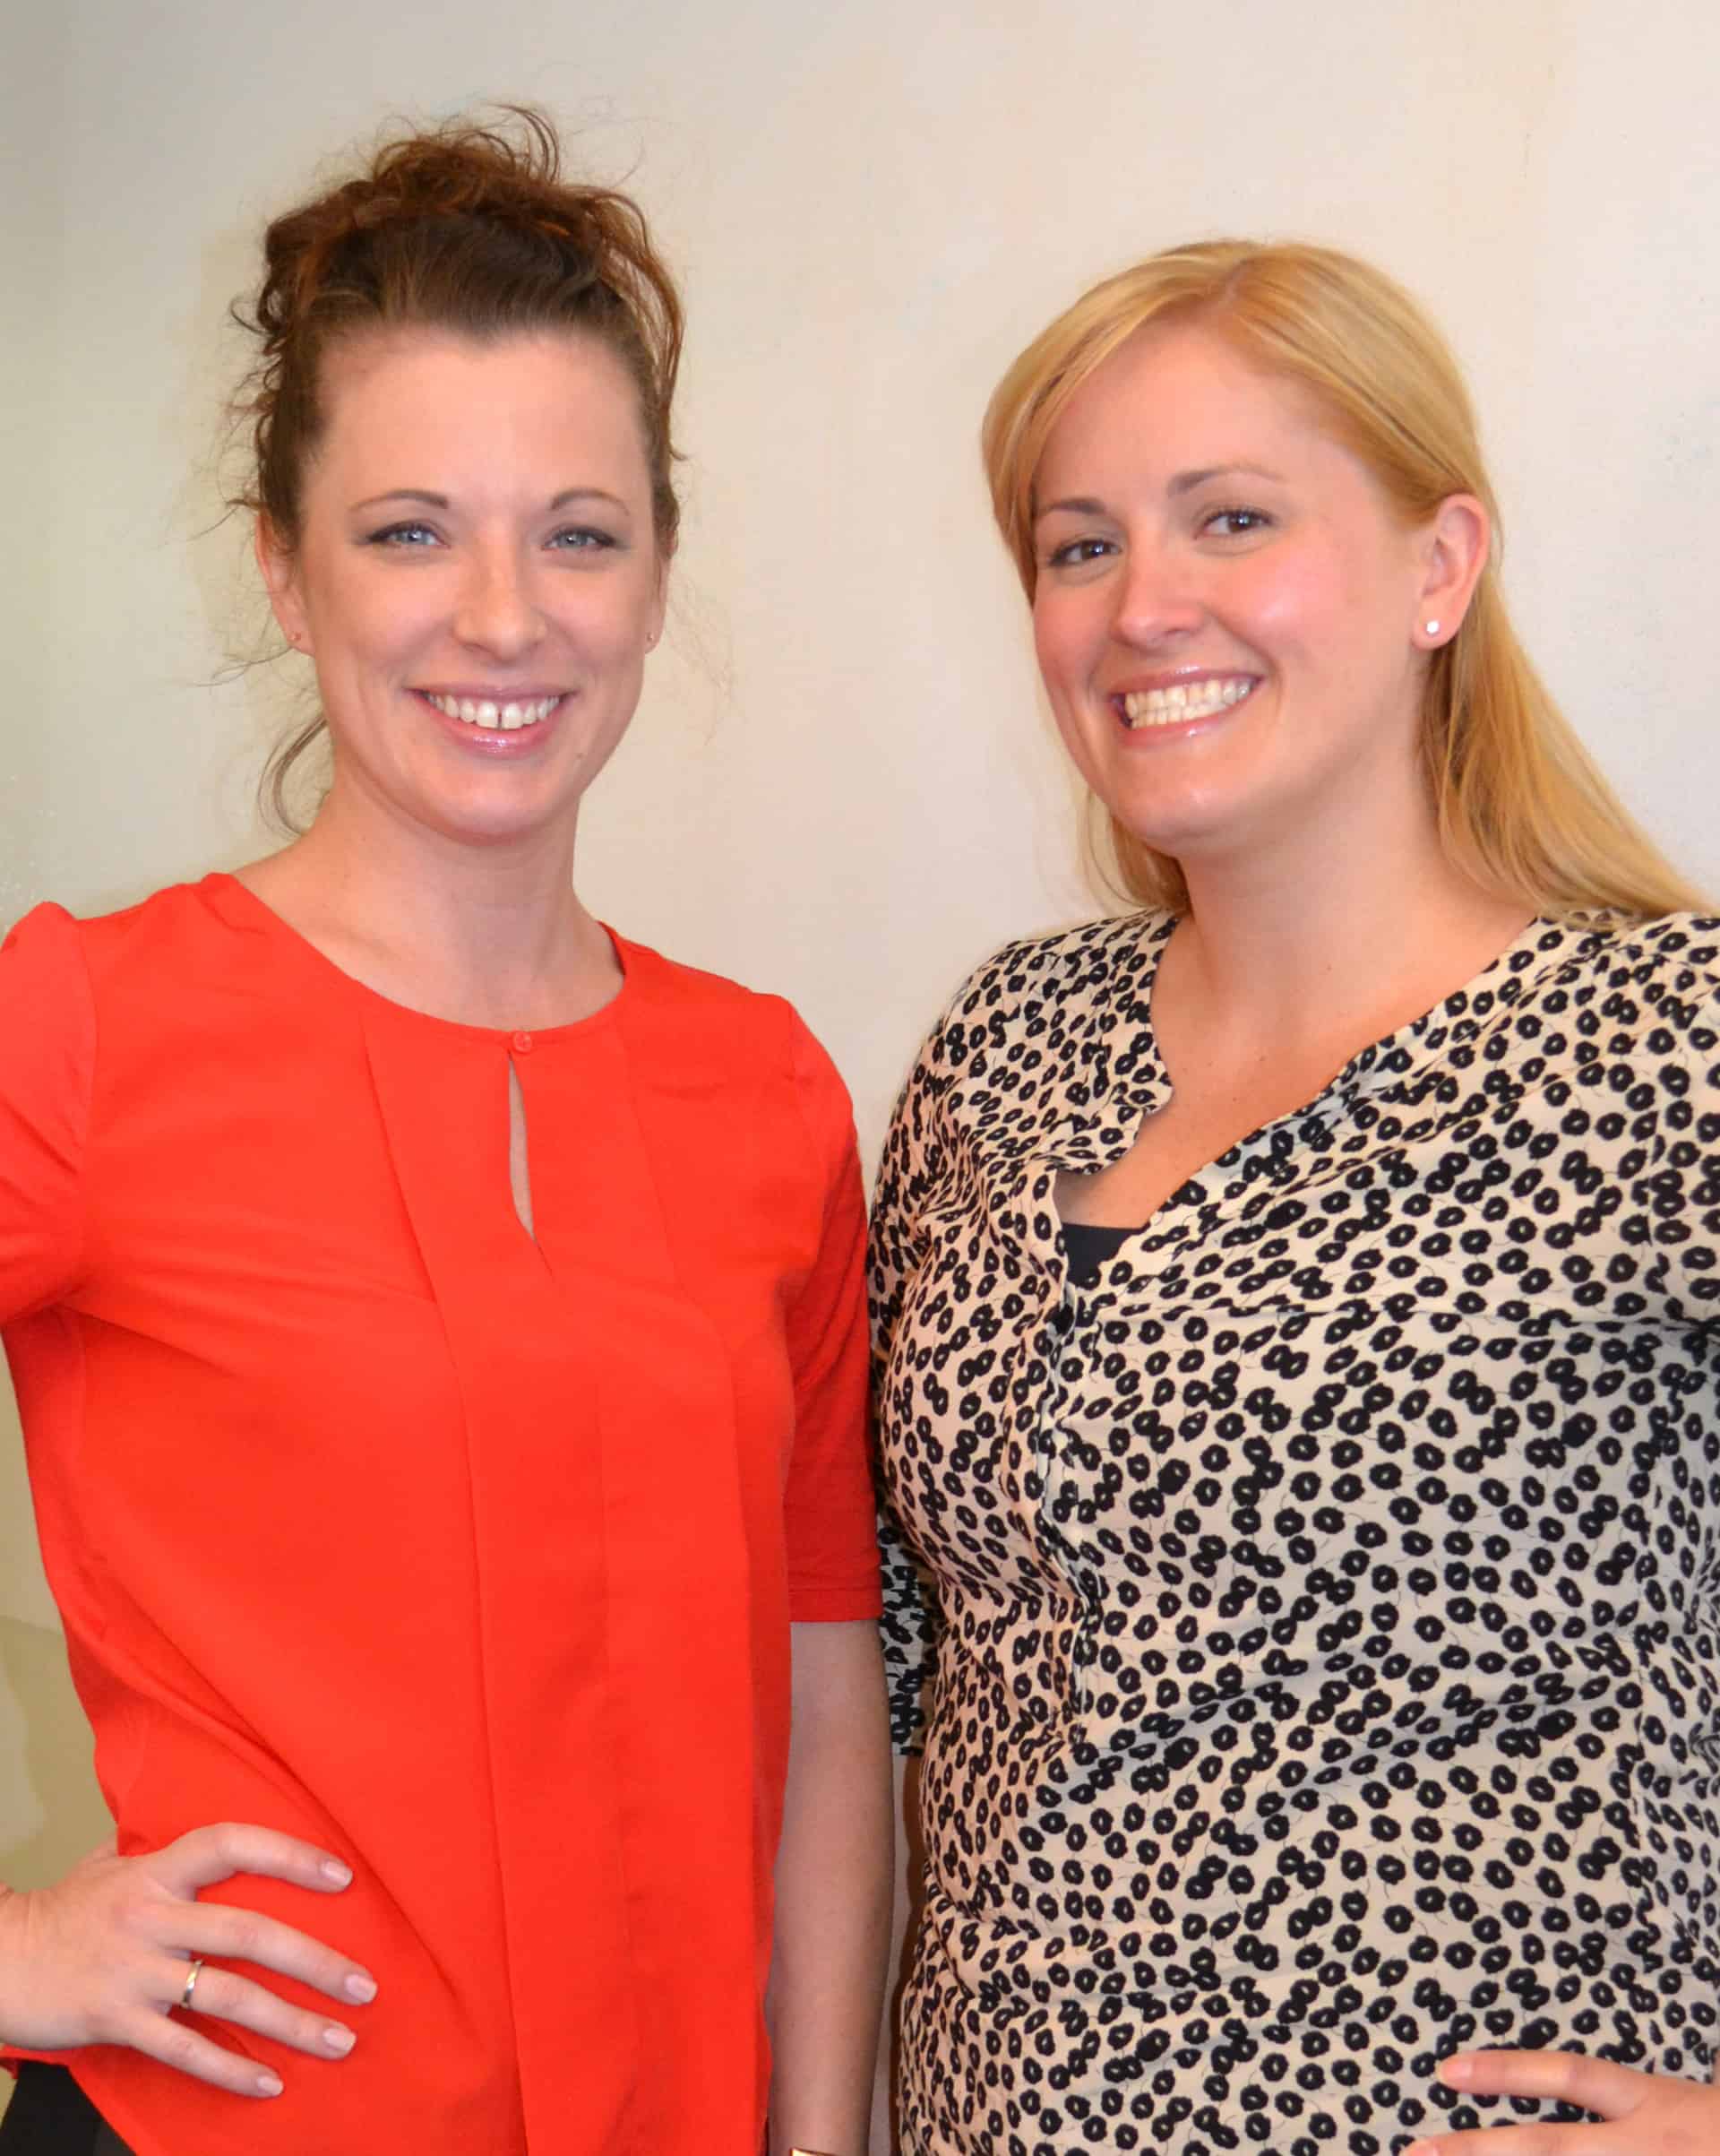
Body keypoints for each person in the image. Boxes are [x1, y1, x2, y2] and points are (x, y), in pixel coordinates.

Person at [0, 108, 890, 2156]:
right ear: (282, 568)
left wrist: (820, 2133)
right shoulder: (90, 1027)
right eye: (410, 532)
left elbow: (823, 1678)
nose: (503, 617)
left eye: (578, 533)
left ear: (656, 571)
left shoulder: (764, 1090)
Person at [871, 239, 1720, 2156]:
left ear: (1441, 567)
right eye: (1080, 546)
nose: (1142, 607)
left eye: (1232, 518)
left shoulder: (1662, 1046)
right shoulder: (1002, 1052)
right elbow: (887, 1674)